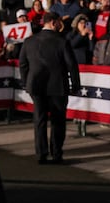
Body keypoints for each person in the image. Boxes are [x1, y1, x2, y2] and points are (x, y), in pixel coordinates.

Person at [19, 12, 81, 164]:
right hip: (58, 86)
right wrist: (76, 84)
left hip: (36, 86)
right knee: (58, 121)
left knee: (39, 120)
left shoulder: (29, 41)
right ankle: (56, 154)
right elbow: (72, 65)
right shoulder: (62, 41)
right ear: (53, 23)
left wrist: (26, 82)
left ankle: (41, 154)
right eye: (60, 22)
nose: (61, 25)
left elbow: (23, 64)